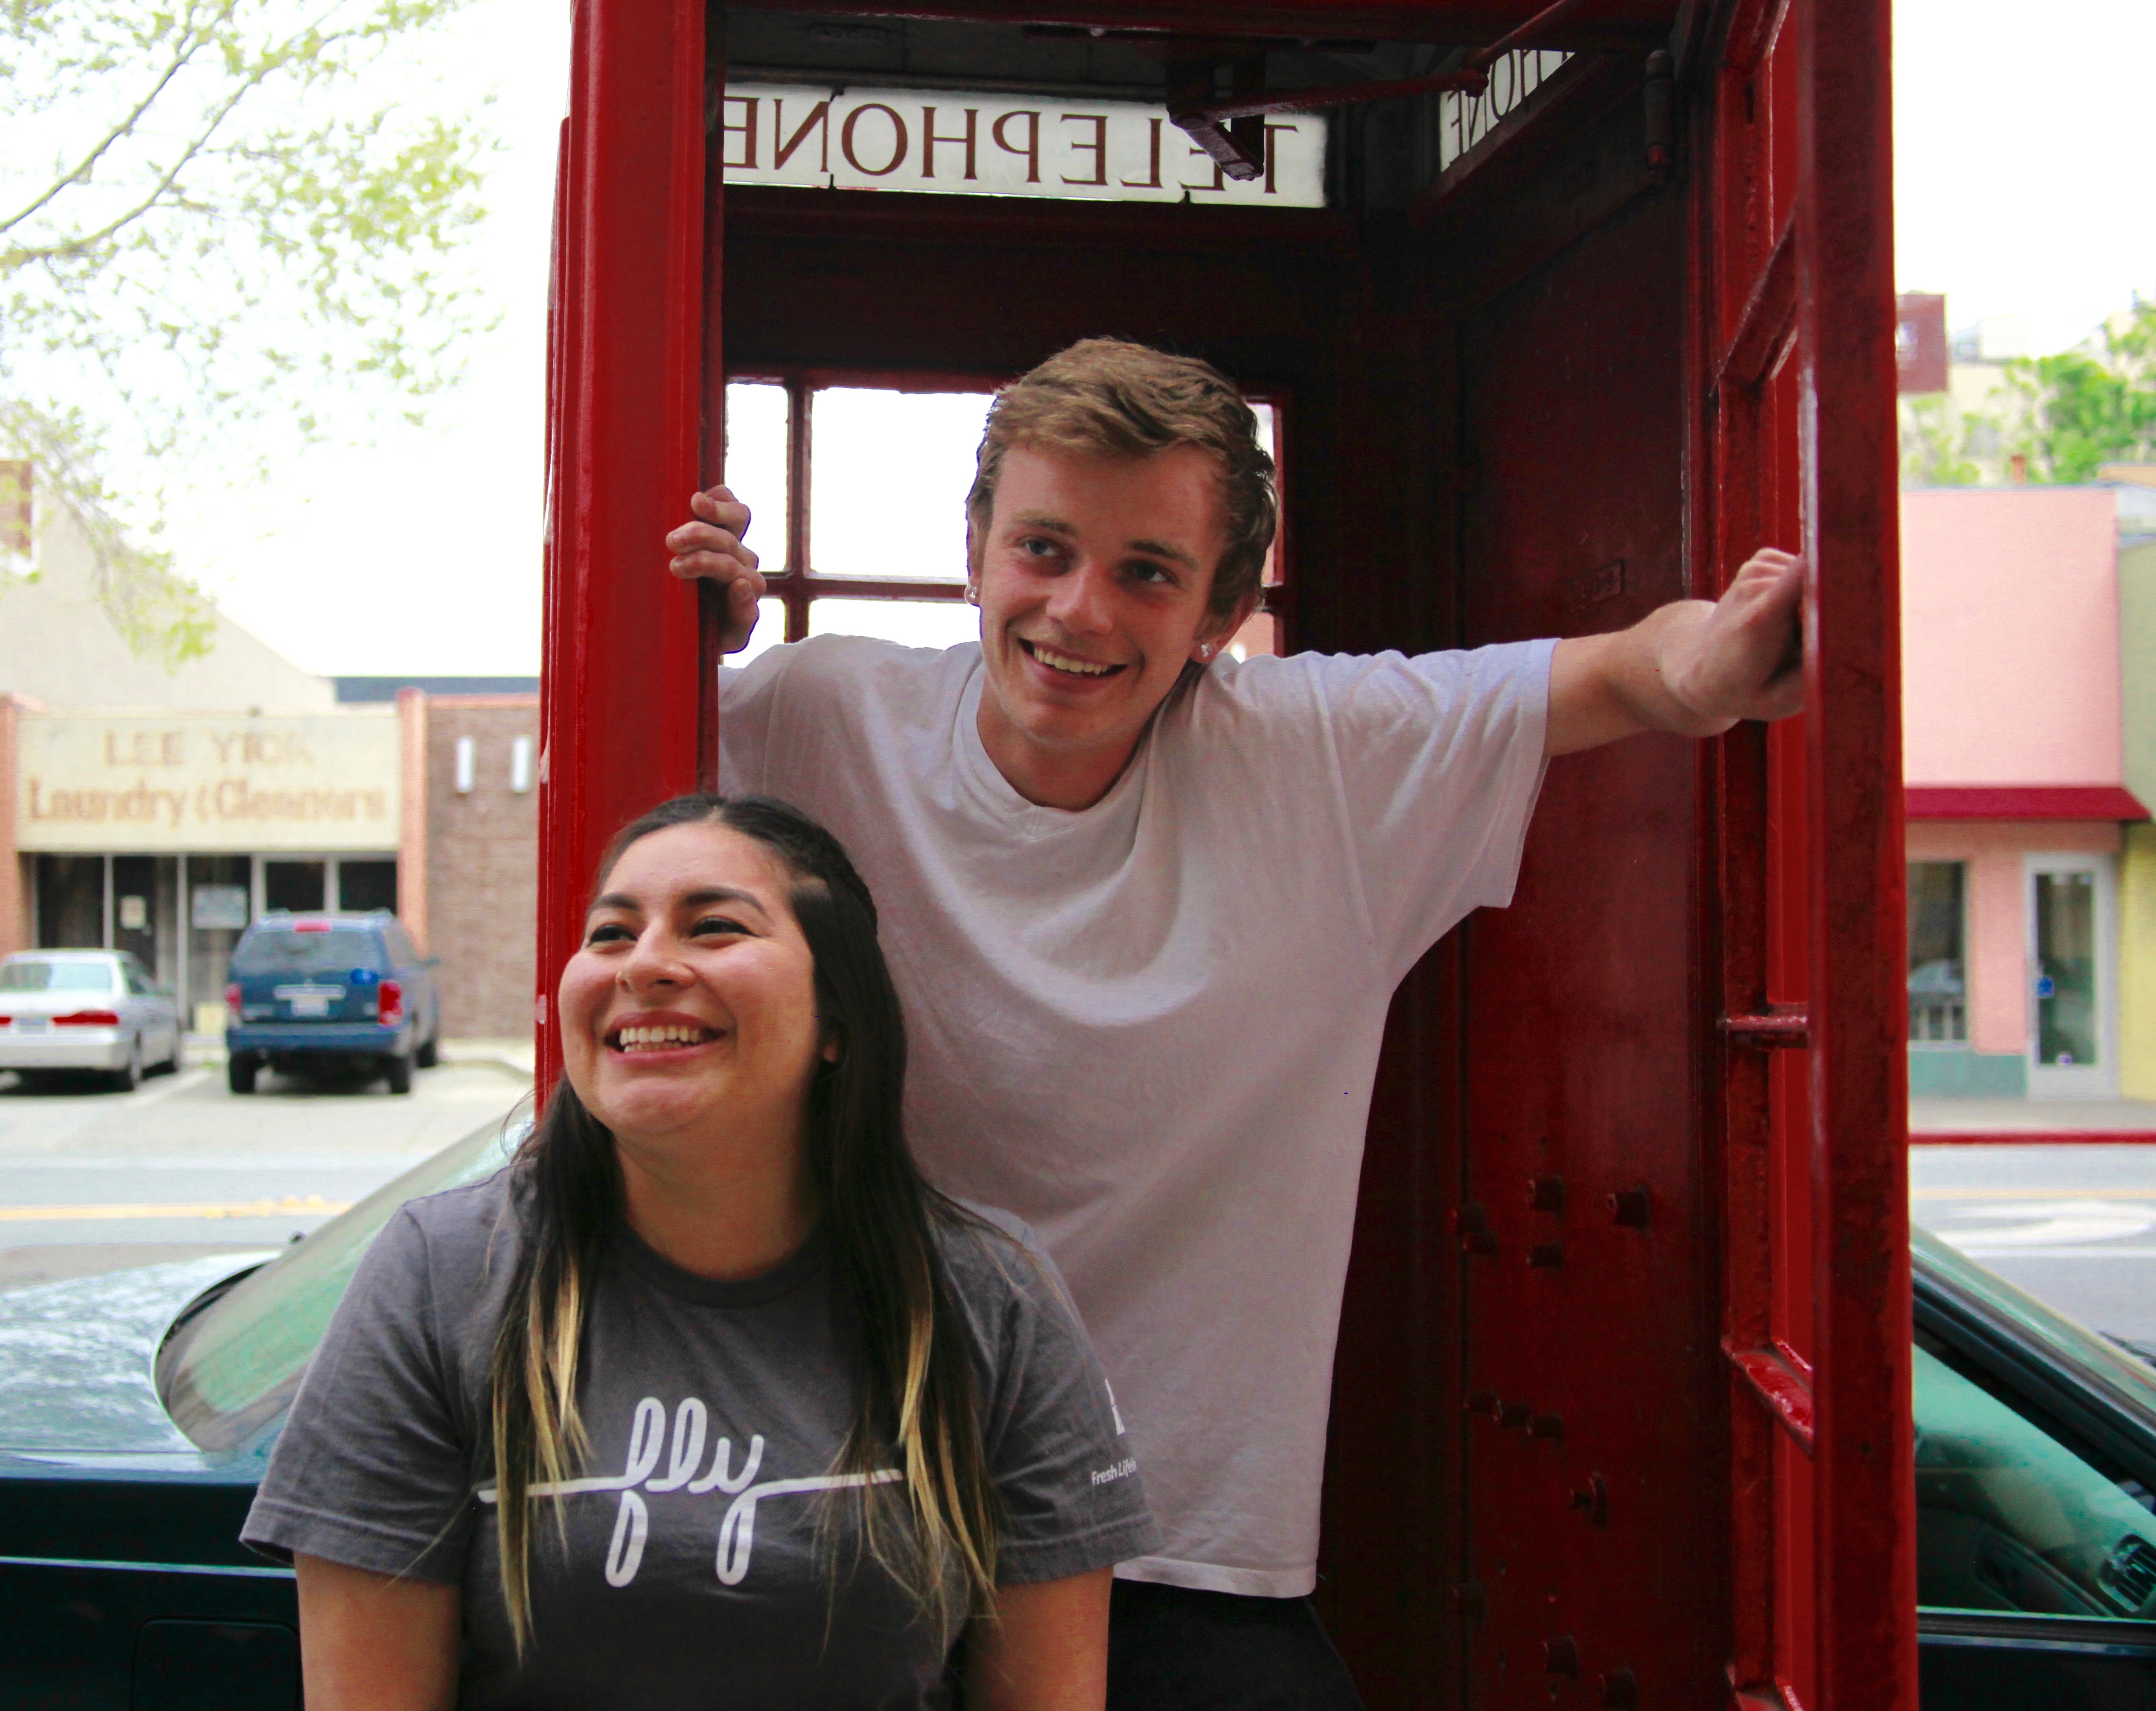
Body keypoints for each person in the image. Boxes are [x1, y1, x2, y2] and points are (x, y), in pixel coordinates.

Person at [667, 337, 1808, 1709]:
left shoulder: (1316, 761)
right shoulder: (820, 712)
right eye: (1042, 549)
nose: (1079, 612)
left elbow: (1634, 675)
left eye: (1147, 572)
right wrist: (684, 633)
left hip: (1179, 1542)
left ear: (1219, 614)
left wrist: (1730, 659)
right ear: (974, 548)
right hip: (844, 1508)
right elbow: (623, 863)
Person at [242, 794, 1157, 1710]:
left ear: (838, 1020)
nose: (644, 964)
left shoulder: (990, 1298)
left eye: (714, 926)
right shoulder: (437, 1277)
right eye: (610, 934)